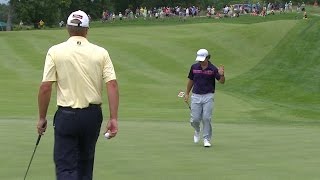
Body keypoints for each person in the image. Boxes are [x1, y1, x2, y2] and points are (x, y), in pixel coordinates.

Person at [37, 10, 119, 180]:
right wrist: (113, 118)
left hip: (66, 116)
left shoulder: (55, 51)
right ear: (87, 30)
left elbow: (46, 87)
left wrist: (42, 118)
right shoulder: (101, 52)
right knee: (85, 166)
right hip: (92, 116)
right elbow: (111, 84)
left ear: (68, 28)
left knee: (66, 168)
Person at [184, 49, 225, 147]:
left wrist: (222, 75)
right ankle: (197, 130)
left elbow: (222, 82)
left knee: (206, 118)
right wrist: (187, 93)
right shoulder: (194, 67)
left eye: (202, 59)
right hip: (196, 96)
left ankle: (206, 139)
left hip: (208, 96)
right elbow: (191, 81)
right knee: (195, 119)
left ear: (207, 57)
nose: (200, 61)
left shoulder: (213, 68)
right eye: (199, 59)